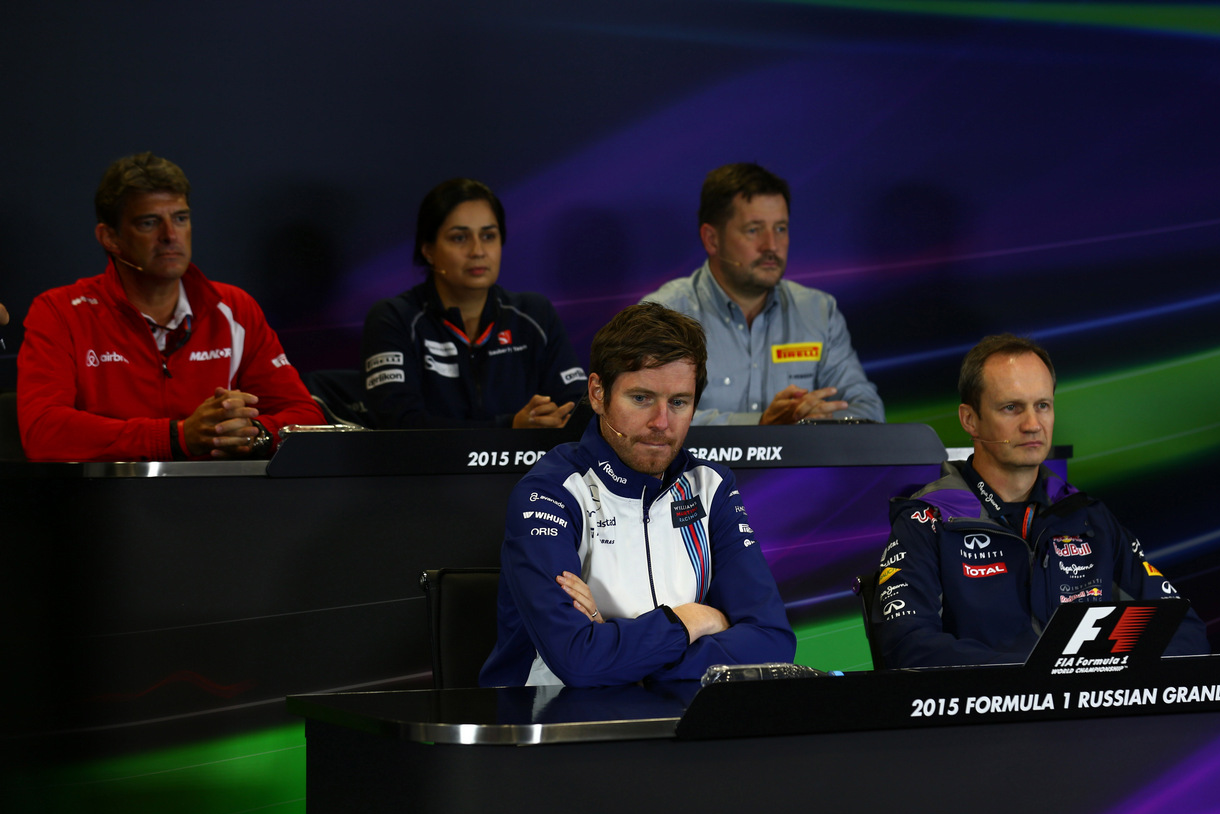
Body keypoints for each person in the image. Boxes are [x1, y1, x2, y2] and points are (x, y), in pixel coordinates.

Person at [479, 302, 796, 687]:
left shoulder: (711, 487)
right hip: (549, 726)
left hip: (679, 724)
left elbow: (773, 641)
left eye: (679, 402)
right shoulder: (549, 494)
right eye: (642, 398)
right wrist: (694, 619)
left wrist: (618, 651)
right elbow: (577, 661)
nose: (662, 423)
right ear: (598, 393)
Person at [869, 334, 1210, 668]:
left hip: (1087, 717)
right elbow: (906, 645)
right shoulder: (929, 521)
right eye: (1011, 407)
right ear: (970, 419)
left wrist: (1099, 677)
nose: (1032, 425)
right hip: (985, 720)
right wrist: (1036, 677)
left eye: (1042, 406)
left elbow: (1185, 630)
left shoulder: (1086, 517)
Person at [17, 152, 324, 463]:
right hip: (110, 504)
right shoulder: (59, 311)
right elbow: (44, 433)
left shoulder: (234, 307)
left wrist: (254, 434)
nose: (170, 236)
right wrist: (176, 437)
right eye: (149, 222)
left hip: (224, 501)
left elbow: (309, 418)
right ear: (109, 237)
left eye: (180, 218)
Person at [643, 162, 884, 426]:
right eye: (754, 230)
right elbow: (649, 416)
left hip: (800, 470)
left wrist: (810, 421)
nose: (771, 245)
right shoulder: (663, 314)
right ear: (712, 239)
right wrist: (762, 427)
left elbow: (868, 410)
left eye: (780, 228)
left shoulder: (818, 311)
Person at [361, 178, 586, 429]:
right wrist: (510, 428)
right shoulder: (395, 318)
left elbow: (578, 408)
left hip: (533, 469)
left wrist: (552, 419)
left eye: (489, 236)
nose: (478, 250)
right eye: (459, 238)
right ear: (428, 250)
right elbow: (398, 426)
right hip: (430, 468)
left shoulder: (534, 314)